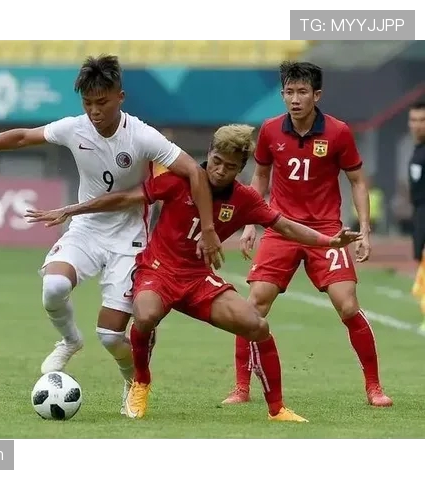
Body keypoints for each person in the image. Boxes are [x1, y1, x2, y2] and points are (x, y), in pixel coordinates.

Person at [0, 54, 222, 413]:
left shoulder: (142, 136)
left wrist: (208, 228)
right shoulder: (74, 128)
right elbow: (22, 137)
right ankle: (69, 340)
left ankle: (130, 378)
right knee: (53, 287)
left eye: (102, 102)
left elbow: (194, 172)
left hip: (129, 239)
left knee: (111, 336)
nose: (94, 111)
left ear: (120, 97)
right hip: (86, 228)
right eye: (87, 103)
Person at [24, 123, 362, 421]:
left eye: (230, 166)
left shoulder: (244, 199)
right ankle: (140, 382)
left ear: (240, 168)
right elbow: (125, 198)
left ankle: (277, 409)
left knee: (257, 325)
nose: (220, 170)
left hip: (198, 280)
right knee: (144, 316)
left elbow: (285, 226)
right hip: (158, 271)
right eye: (216, 161)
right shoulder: (177, 180)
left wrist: (328, 240)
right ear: (209, 154)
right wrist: (72, 209)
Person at [222, 61, 392, 407]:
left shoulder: (338, 132)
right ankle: (241, 388)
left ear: (317, 95)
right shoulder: (270, 130)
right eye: (289, 92)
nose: (295, 99)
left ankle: (374, 387)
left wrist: (365, 230)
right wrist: (250, 223)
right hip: (280, 228)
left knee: (348, 306)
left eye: (302, 92)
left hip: (326, 231)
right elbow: (260, 177)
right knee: (253, 305)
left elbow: (358, 181)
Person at [407, 101, 425, 331]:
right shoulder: (417, 150)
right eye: (414, 120)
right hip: (419, 212)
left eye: (422, 120)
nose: (417, 125)